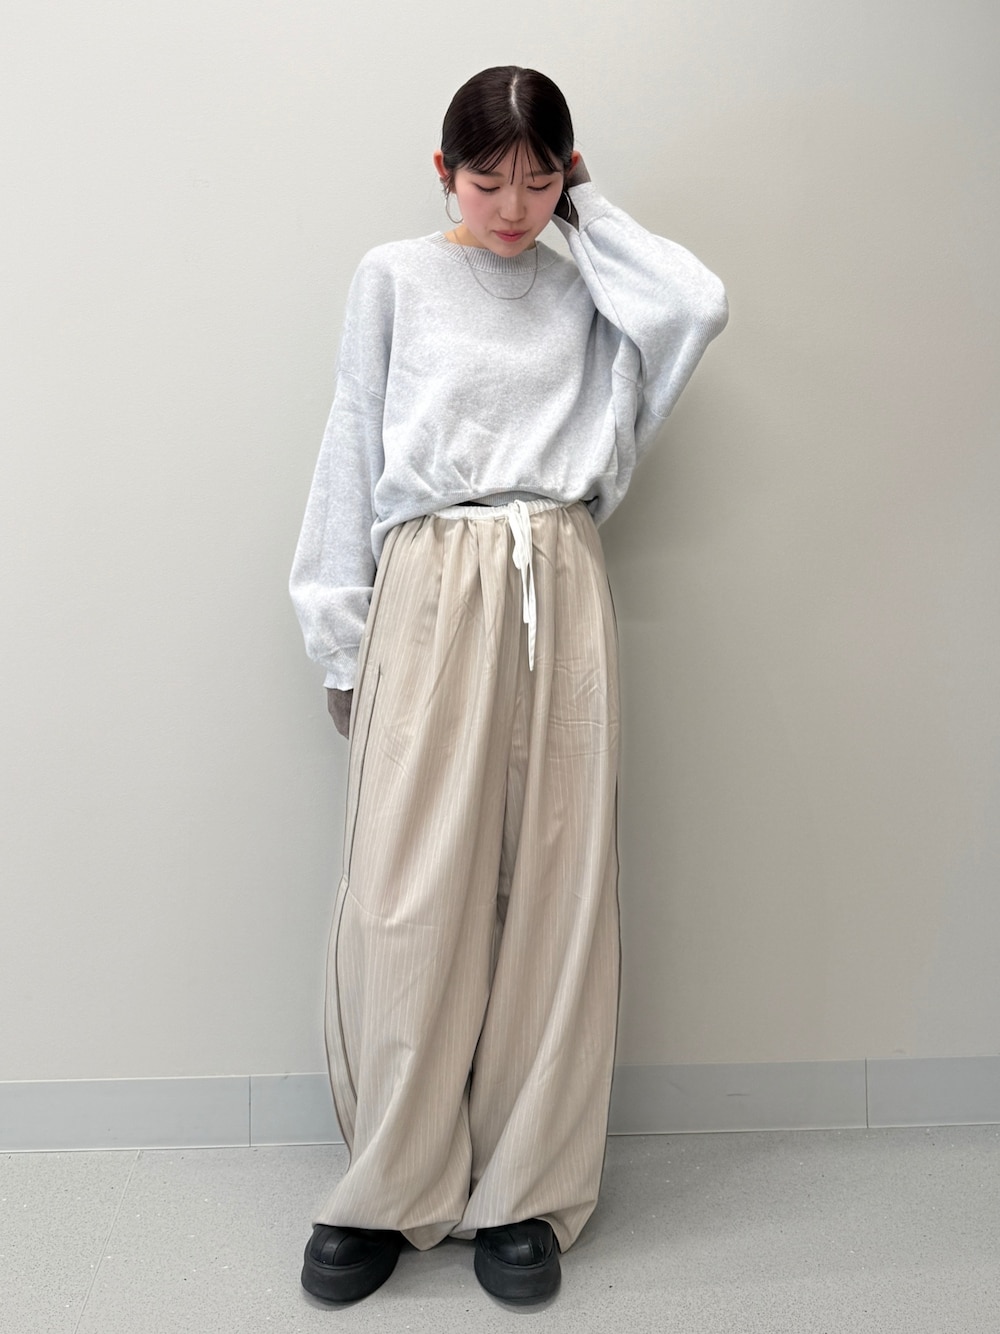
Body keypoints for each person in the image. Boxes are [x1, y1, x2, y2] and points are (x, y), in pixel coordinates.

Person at [290, 65, 727, 1305]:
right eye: (488, 182)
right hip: (430, 580)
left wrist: (592, 211)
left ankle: (522, 1188)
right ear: (444, 172)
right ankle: (391, 1180)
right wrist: (340, 636)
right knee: (405, 894)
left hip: (558, 577)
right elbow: (352, 439)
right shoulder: (393, 276)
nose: (513, 208)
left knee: (553, 887)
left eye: (540, 183)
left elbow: (696, 303)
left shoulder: (590, 280)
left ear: (568, 180)